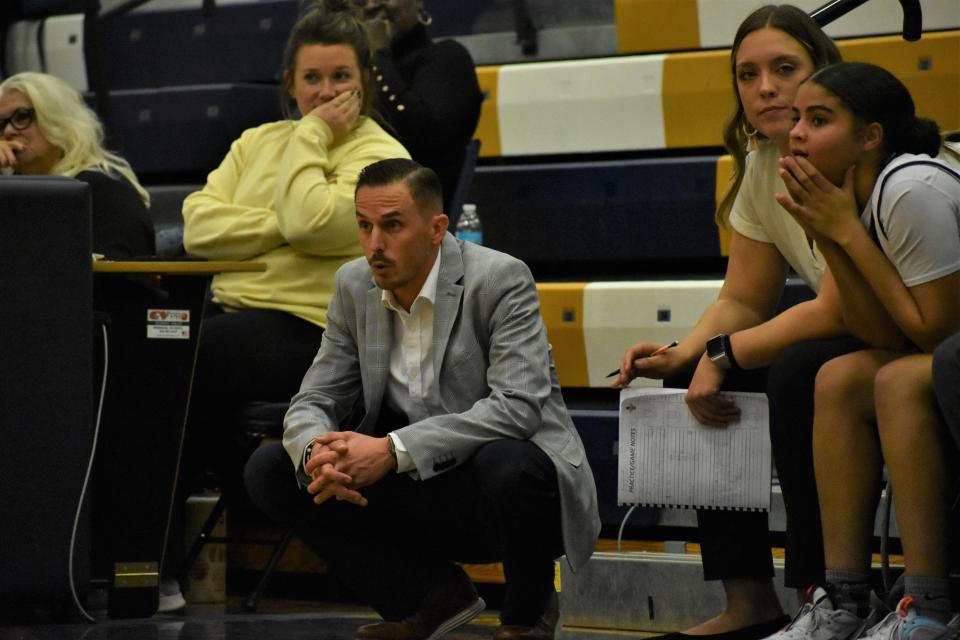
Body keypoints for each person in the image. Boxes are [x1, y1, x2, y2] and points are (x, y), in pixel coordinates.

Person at [244, 157, 600, 640]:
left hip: (501, 491)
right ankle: (430, 599)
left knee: (510, 463)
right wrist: (315, 454)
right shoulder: (353, 284)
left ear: (437, 229)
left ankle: (526, 615)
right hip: (419, 483)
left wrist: (391, 449)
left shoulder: (500, 279)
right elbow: (315, 396)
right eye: (364, 226)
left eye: (392, 226)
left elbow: (517, 407)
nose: (375, 245)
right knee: (272, 471)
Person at [171, 1, 409, 611]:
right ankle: (130, 555)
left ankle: (157, 560)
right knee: (153, 347)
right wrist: (286, 223)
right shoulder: (255, 142)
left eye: (340, 79)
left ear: (365, 84)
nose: (326, 93)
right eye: (312, 79)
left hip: (317, 333)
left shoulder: (379, 155)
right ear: (290, 83)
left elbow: (311, 223)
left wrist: (310, 137)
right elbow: (199, 227)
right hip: (237, 318)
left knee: (188, 359)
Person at [613, 6, 842, 638]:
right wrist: (688, 351)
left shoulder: (856, 143)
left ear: (823, 70)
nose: (764, 87)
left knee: (793, 371)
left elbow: (846, 304)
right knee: (689, 378)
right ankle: (749, 601)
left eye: (784, 68)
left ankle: (826, 594)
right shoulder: (763, 158)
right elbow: (743, 298)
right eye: (748, 74)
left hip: (908, 328)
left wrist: (724, 354)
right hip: (848, 328)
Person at [750, 62, 960, 640]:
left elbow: (936, 342)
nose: (796, 133)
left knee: (896, 382)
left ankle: (930, 607)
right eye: (797, 119)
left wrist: (843, 234)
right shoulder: (856, 194)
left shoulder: (909, 188)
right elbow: (880, 332)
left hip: (951, 351)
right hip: (938, 344)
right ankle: (841, 600)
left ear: (869, 137)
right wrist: (831, 234)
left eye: (818, 120)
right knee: (837, 378)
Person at [346, 0, 483, 212]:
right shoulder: (347, 74)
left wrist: (379, 55)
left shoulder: (447, 58)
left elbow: (421, 136)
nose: (371, 5)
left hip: (417, 223)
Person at [0, 71, 154, 259]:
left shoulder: (101, 191)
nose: (8, 131)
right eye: (1, 124)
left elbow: (114, 281)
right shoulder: (11, 193)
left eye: (22, 117)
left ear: (57, 119)